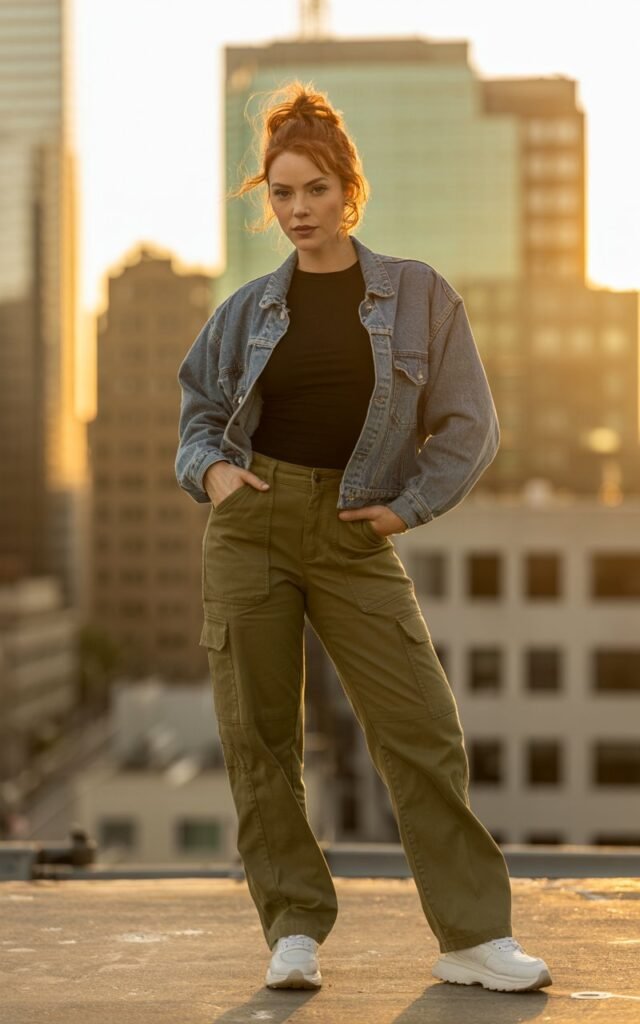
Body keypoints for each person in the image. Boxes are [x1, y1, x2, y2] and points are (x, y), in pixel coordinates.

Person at [175, 80, 552, 994]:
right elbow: (197, 416)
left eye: (313, 190)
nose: (298, 210)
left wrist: (406, 507)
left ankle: (470, 936)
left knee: (421, 726)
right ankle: (294, 927)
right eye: (281, 193)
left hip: (352, 530)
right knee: (259, 735)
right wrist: (216, 474)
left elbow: (469, 426)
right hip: (253, 526)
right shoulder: (246, 310)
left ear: (350, 189)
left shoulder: (418, 296)